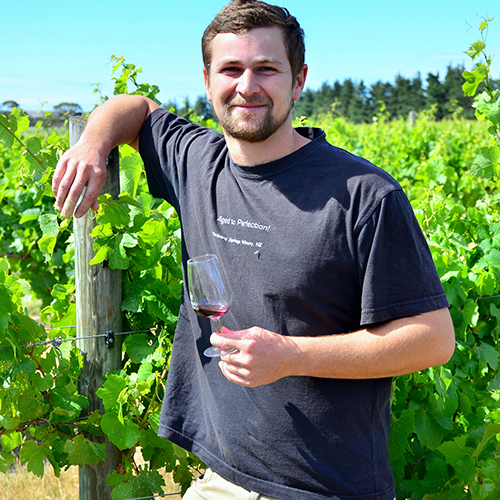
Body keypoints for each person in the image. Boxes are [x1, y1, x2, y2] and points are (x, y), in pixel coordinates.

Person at [52, 1, 455, 498]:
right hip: (220, 478)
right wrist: (91, 145)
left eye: (266, 68)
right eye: (231, 69)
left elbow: (433, 339)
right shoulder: (196, 161)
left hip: (324, 487)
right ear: (207, 82)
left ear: (298, 80)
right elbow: (134, 108)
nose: (247, 86)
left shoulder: (364, 195)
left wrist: (290, 355)